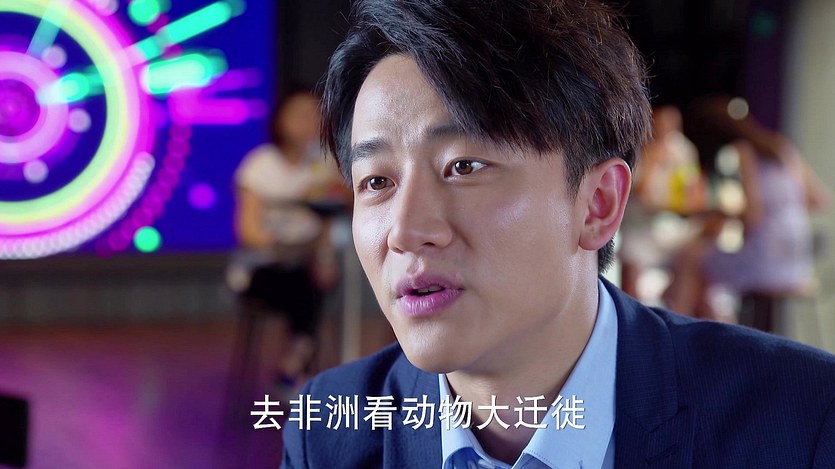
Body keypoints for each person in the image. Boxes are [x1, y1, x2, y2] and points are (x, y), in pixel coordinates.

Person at [281, 1, 835, 467]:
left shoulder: (800, 419)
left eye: (464, 166)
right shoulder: (327, 435)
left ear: (598, 204)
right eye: (376, 181)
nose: (405, 231)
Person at [664, 95, 831, 329]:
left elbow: (753, 216)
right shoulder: (782, 147)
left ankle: (677, 328)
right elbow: (819, 201)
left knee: (691, 258)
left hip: (767, 259)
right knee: (705, 271)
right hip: (797, 262)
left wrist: (722, 213)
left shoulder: (743, 151)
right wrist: (784, 206)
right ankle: (714, 331)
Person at [229, 89, 345, 389]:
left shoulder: (323, 165)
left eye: (314, 114)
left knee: (314, 279)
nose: (308, 121)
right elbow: (249, 232)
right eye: (299, 114)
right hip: (263, 269)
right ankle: (294, 367)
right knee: (304, 285)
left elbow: (332, 219)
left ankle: (295, 367)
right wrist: (290, 246)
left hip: (306, 268)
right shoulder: (259, 165)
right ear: (280, 118)